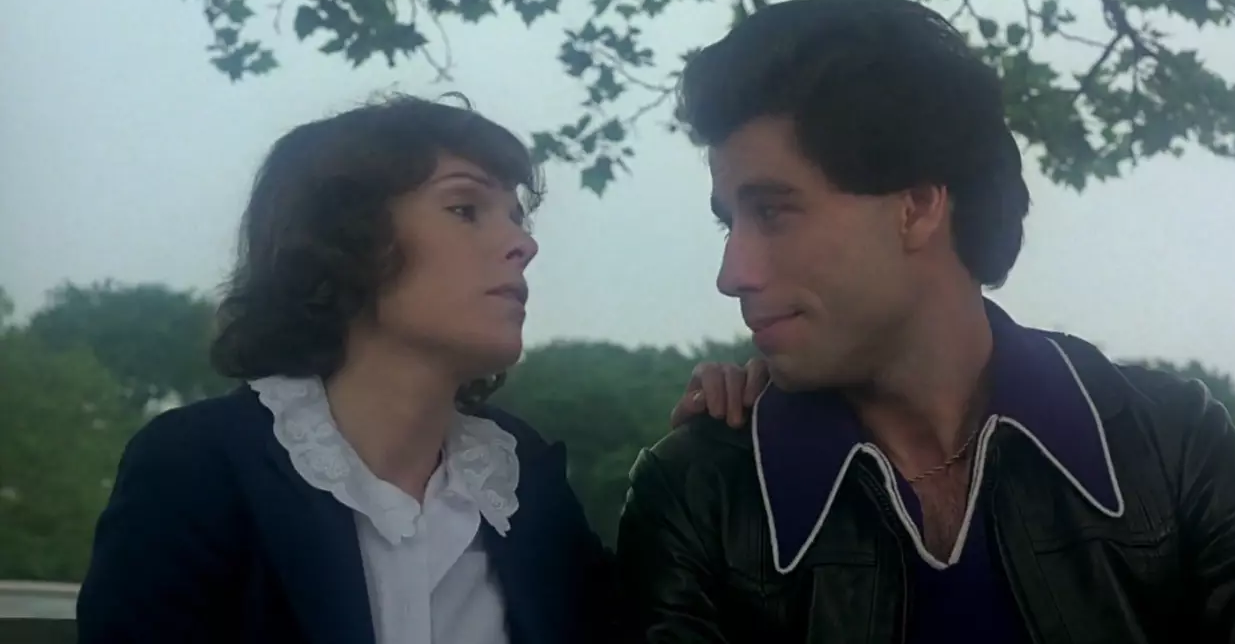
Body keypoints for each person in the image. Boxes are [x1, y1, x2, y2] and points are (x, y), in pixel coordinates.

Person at [615, 0, 1235, 643]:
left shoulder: (1170, 447)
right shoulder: (701, 494)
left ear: (918, 207)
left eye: (772, 212)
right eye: (729, 222)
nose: (733, 274)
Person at [75, 94, 750, 644]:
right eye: (465, 209)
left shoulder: (520, 480)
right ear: (347, 243)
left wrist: (732, 449)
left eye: (517, 218)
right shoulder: (199, 467)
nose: (523, 243)